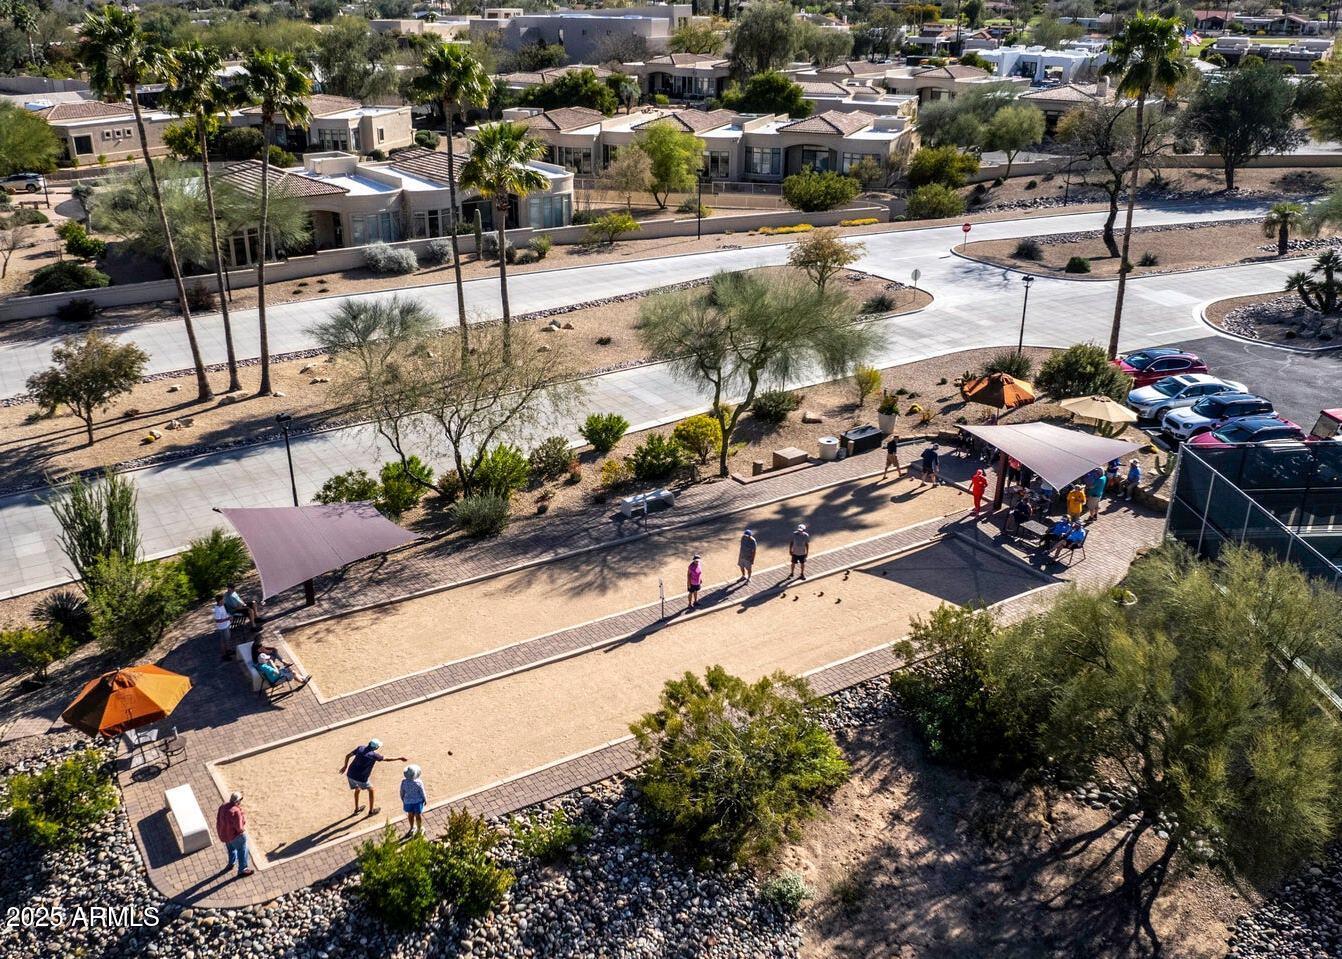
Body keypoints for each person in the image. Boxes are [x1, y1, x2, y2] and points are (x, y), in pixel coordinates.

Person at [340, 738, 408, 818]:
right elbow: (387, 759)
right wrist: (399, 758)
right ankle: (371, 811)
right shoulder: (374, 755)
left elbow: (348, 756)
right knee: (371, 790)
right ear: (376, 748)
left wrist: (345, 766)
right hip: (361, 778)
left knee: (357, 789)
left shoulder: (360, 748)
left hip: (350, 774)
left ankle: (357, 809)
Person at [216, 791, 254, 878]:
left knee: (231, 849)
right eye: (241, 800)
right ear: (237, 801)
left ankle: (231, 863)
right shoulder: (236, 811)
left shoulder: (223, 806)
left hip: (225, 834)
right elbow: (239, 827)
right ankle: (243, 869)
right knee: (243, 849)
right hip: (235, 836)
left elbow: (218, 819)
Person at [401, 765, 427, 836]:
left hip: (408, 801)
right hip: (417, 802)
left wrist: (403, 799)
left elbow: (402, 792)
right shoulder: (418, 782)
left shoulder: (404, 782)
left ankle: (412, 827)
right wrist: (425, 799)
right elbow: (422, 792)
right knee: (418, 815)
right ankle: (419, 828)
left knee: (410, 814)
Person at [212, 595, 233, 661]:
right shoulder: (217, 609)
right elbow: (217, 620)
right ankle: (224, 655)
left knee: (227, 639)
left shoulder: (222, 605)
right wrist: (227, 618)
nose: (224, 600)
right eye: (223, 599)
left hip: (226, 625)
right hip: (222, 627)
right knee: (223, 641)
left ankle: (228, 650)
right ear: (220, 600)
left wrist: (229, 616)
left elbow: (225, 614)